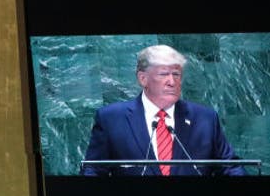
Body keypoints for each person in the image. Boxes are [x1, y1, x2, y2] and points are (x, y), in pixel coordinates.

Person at [81, 45, 245, 176]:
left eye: (176, 74)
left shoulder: (205, 118)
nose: (172, 82)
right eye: (164, 74)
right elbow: (93, 170)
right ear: (143, 78)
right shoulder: (111, 119)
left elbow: (230, 167)